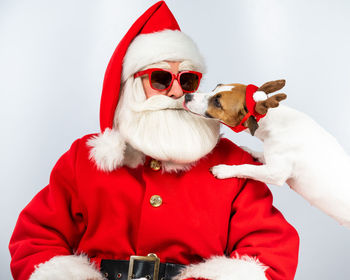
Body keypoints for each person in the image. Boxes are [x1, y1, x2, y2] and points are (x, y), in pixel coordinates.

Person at [9, 2, 299, 280]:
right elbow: (36, 239)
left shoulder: (232, 163)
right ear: (132, 87)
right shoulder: (83, 159)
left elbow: (271, 250)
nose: (175, 92)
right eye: (160, 79)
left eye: (187, 81)